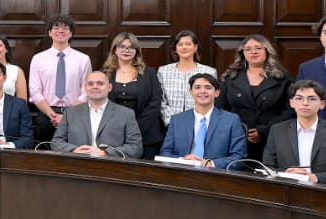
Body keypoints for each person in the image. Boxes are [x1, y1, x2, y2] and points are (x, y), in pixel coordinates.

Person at [261, 80, 326, 186]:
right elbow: (267, 168)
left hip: (323, 191)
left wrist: (314, 177)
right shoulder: (277, 131)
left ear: (322, 104)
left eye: (312, 99)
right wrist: (285, 175)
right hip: (285, 189)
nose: (305, 103)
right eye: (299, 98)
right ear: (292, 103)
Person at [216, 35, 293, 160]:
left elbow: (290, 110)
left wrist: (264, 131)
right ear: (242, 53)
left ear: (267, 51)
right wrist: (238, 130)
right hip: (236, 139)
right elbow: (219, 108)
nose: (253, 52)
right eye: (248, 49)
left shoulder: (282, 78)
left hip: (271, 140)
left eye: (258, 48)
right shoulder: (230, 77)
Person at [160, 73, 246, 169]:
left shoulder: (231, 120)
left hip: (216, 174)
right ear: (191, 92)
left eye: (208, 87)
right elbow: (165, 152)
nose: (202, 91)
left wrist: (210, 163)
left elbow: (239, 157)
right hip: (182, 172)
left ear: (217, 93)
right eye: (197, 87)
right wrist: (183, 161)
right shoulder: (177, 120)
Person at [50, 71, 142, 158]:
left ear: (109, 87)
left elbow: (136, 148)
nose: (95, 87)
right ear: (85, 88)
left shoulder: (126, 114)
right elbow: (56, 142)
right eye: (90, 84)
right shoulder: (70, 113)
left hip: (111, 166)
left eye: (100, 84)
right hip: (77, 164)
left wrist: (106, 153)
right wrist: (74, 150)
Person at [102, 32, 164, 160]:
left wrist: (135, 128)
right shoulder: (105, 74)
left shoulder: (149, 73)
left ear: (136, 51)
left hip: (147, 134)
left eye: (131, 47)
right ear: (115, 50)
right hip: (114, 135)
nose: (127, 50)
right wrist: (120, 129)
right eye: (122, 46)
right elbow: (100, 103)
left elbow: (155, 102)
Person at [28, 14, 92, 133]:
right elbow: (34, 91)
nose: (61, 31)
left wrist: (67, 116)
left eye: (65, 28)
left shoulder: (83, 59)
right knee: (44, 144)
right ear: (50, 32)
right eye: (56, 27)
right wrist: (51, 114)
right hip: (46, 113)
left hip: (75, 113)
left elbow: (87, 90)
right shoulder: (38, 59)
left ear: (71, 33)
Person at [157, 30, 216, 127]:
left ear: (195, 47)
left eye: (188, 44)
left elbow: (211, 99)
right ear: (175, 48)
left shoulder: (209, 72)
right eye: (180, 44)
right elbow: (161, 100)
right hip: (171, 125)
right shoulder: (163, 71)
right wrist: (172, 121)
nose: (184, 47)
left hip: (200, 124)